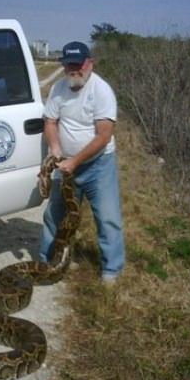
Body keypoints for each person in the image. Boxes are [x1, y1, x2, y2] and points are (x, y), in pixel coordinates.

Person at [39, 41, 125, 283]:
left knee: (107, 217)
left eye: (78, 65)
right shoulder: (58, 88)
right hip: (66, 165)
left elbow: (104, 135)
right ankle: (46, 261)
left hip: (98, 165)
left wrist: (75, 161)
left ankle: (111, 271)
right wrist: (56, 149)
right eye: (68, 66)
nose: (73, 70)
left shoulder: (102, 91)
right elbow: (50, 122)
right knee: (54, 214)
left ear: (89, 64)